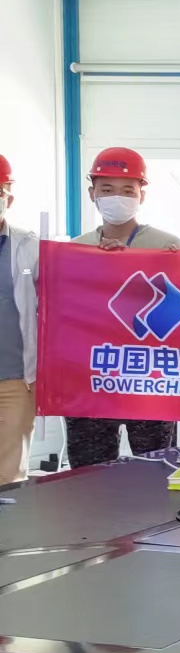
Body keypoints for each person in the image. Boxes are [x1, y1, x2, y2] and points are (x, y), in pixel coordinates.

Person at [66, 148, 180, 467]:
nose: (117, 197)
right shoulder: (74, 249)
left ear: (141, 195)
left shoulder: (167, 245)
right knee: (89, 474)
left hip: (148, 375)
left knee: (156, 468)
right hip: (90, 375)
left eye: (127, 190)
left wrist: (168, 267)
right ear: (92, 194)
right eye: (107, 189)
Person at [0, 155, 37, 486]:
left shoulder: (29, 246)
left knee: (8, 475)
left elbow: (72, 285)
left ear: (8, 199)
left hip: (13, 381)